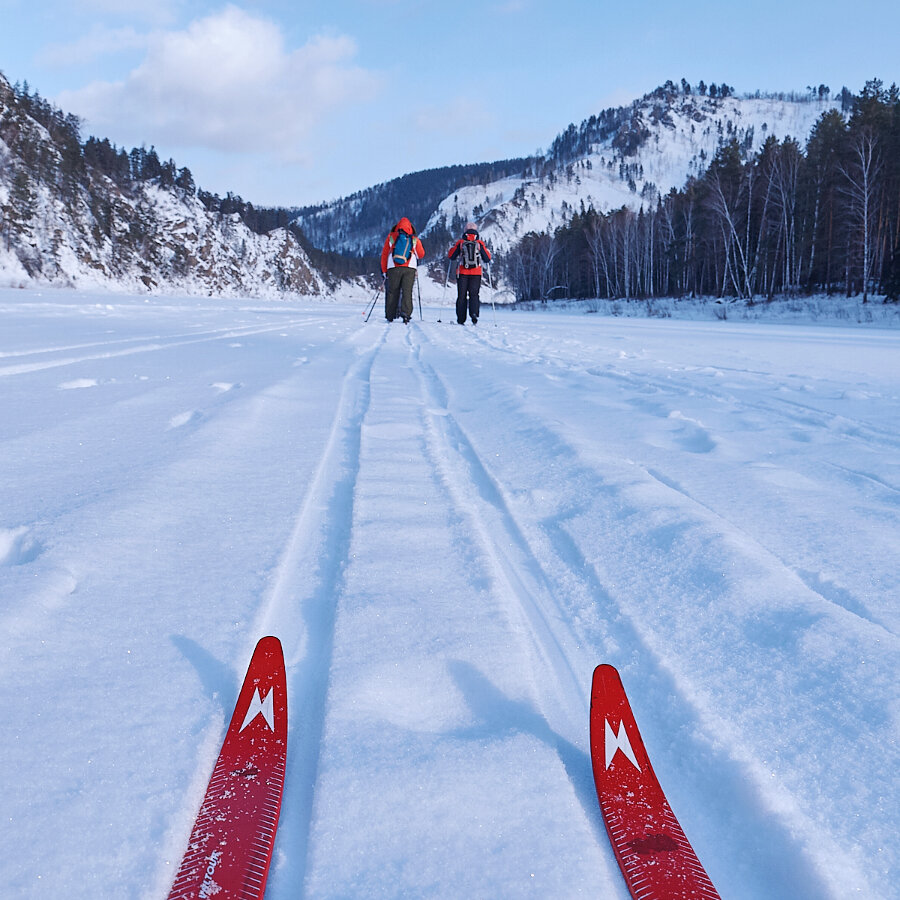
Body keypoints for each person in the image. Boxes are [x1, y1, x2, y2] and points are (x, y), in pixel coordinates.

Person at [380, 217, 425, 323]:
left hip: (393, 268)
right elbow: (421, 254)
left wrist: (384, 270)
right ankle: (406, 314)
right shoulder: (414, 239)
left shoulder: (391, 237)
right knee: (407, 291)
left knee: (392, 291)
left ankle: (390, 315)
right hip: (410, 268)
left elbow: (385, 254)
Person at [448, 223, 492, 325]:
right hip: (476, 273)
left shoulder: (460, 242)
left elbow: (451, 256)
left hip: (462, 272)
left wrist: (452, 249)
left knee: (461, 296)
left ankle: (461, 319)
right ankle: (474, 315)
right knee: (474, 295)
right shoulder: (479, 243)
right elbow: (487, 258)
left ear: (465, 231)